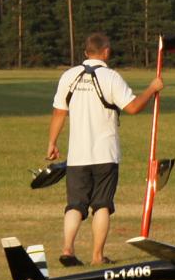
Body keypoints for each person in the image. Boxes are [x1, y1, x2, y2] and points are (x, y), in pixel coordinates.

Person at [46, 33, 164, 266]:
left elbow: (59, 112)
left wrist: (52, 142)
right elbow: (133, 107)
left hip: (77, 155)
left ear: (85, 52)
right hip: (105, 154)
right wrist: (152, 88)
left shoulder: (68, 76)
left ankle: (67, 249)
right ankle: (97, 256)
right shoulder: (111, 77)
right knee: (102, 205)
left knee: (75, 205)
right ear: (106, 52)